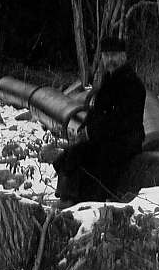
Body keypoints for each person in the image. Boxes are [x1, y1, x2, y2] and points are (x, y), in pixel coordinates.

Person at [52, 35, 146, 205]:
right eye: (106, 55)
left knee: (89, 156)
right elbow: (96, 112)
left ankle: (83, 202)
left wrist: (91, 133)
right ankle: (68, 198)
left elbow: (120, 120)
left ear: (123, 56)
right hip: (108, 137)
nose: (110, 60)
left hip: (126, 141)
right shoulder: (109, 80)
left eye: (114, 55)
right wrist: (83, 129)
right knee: (71, 153)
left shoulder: (131, 84)